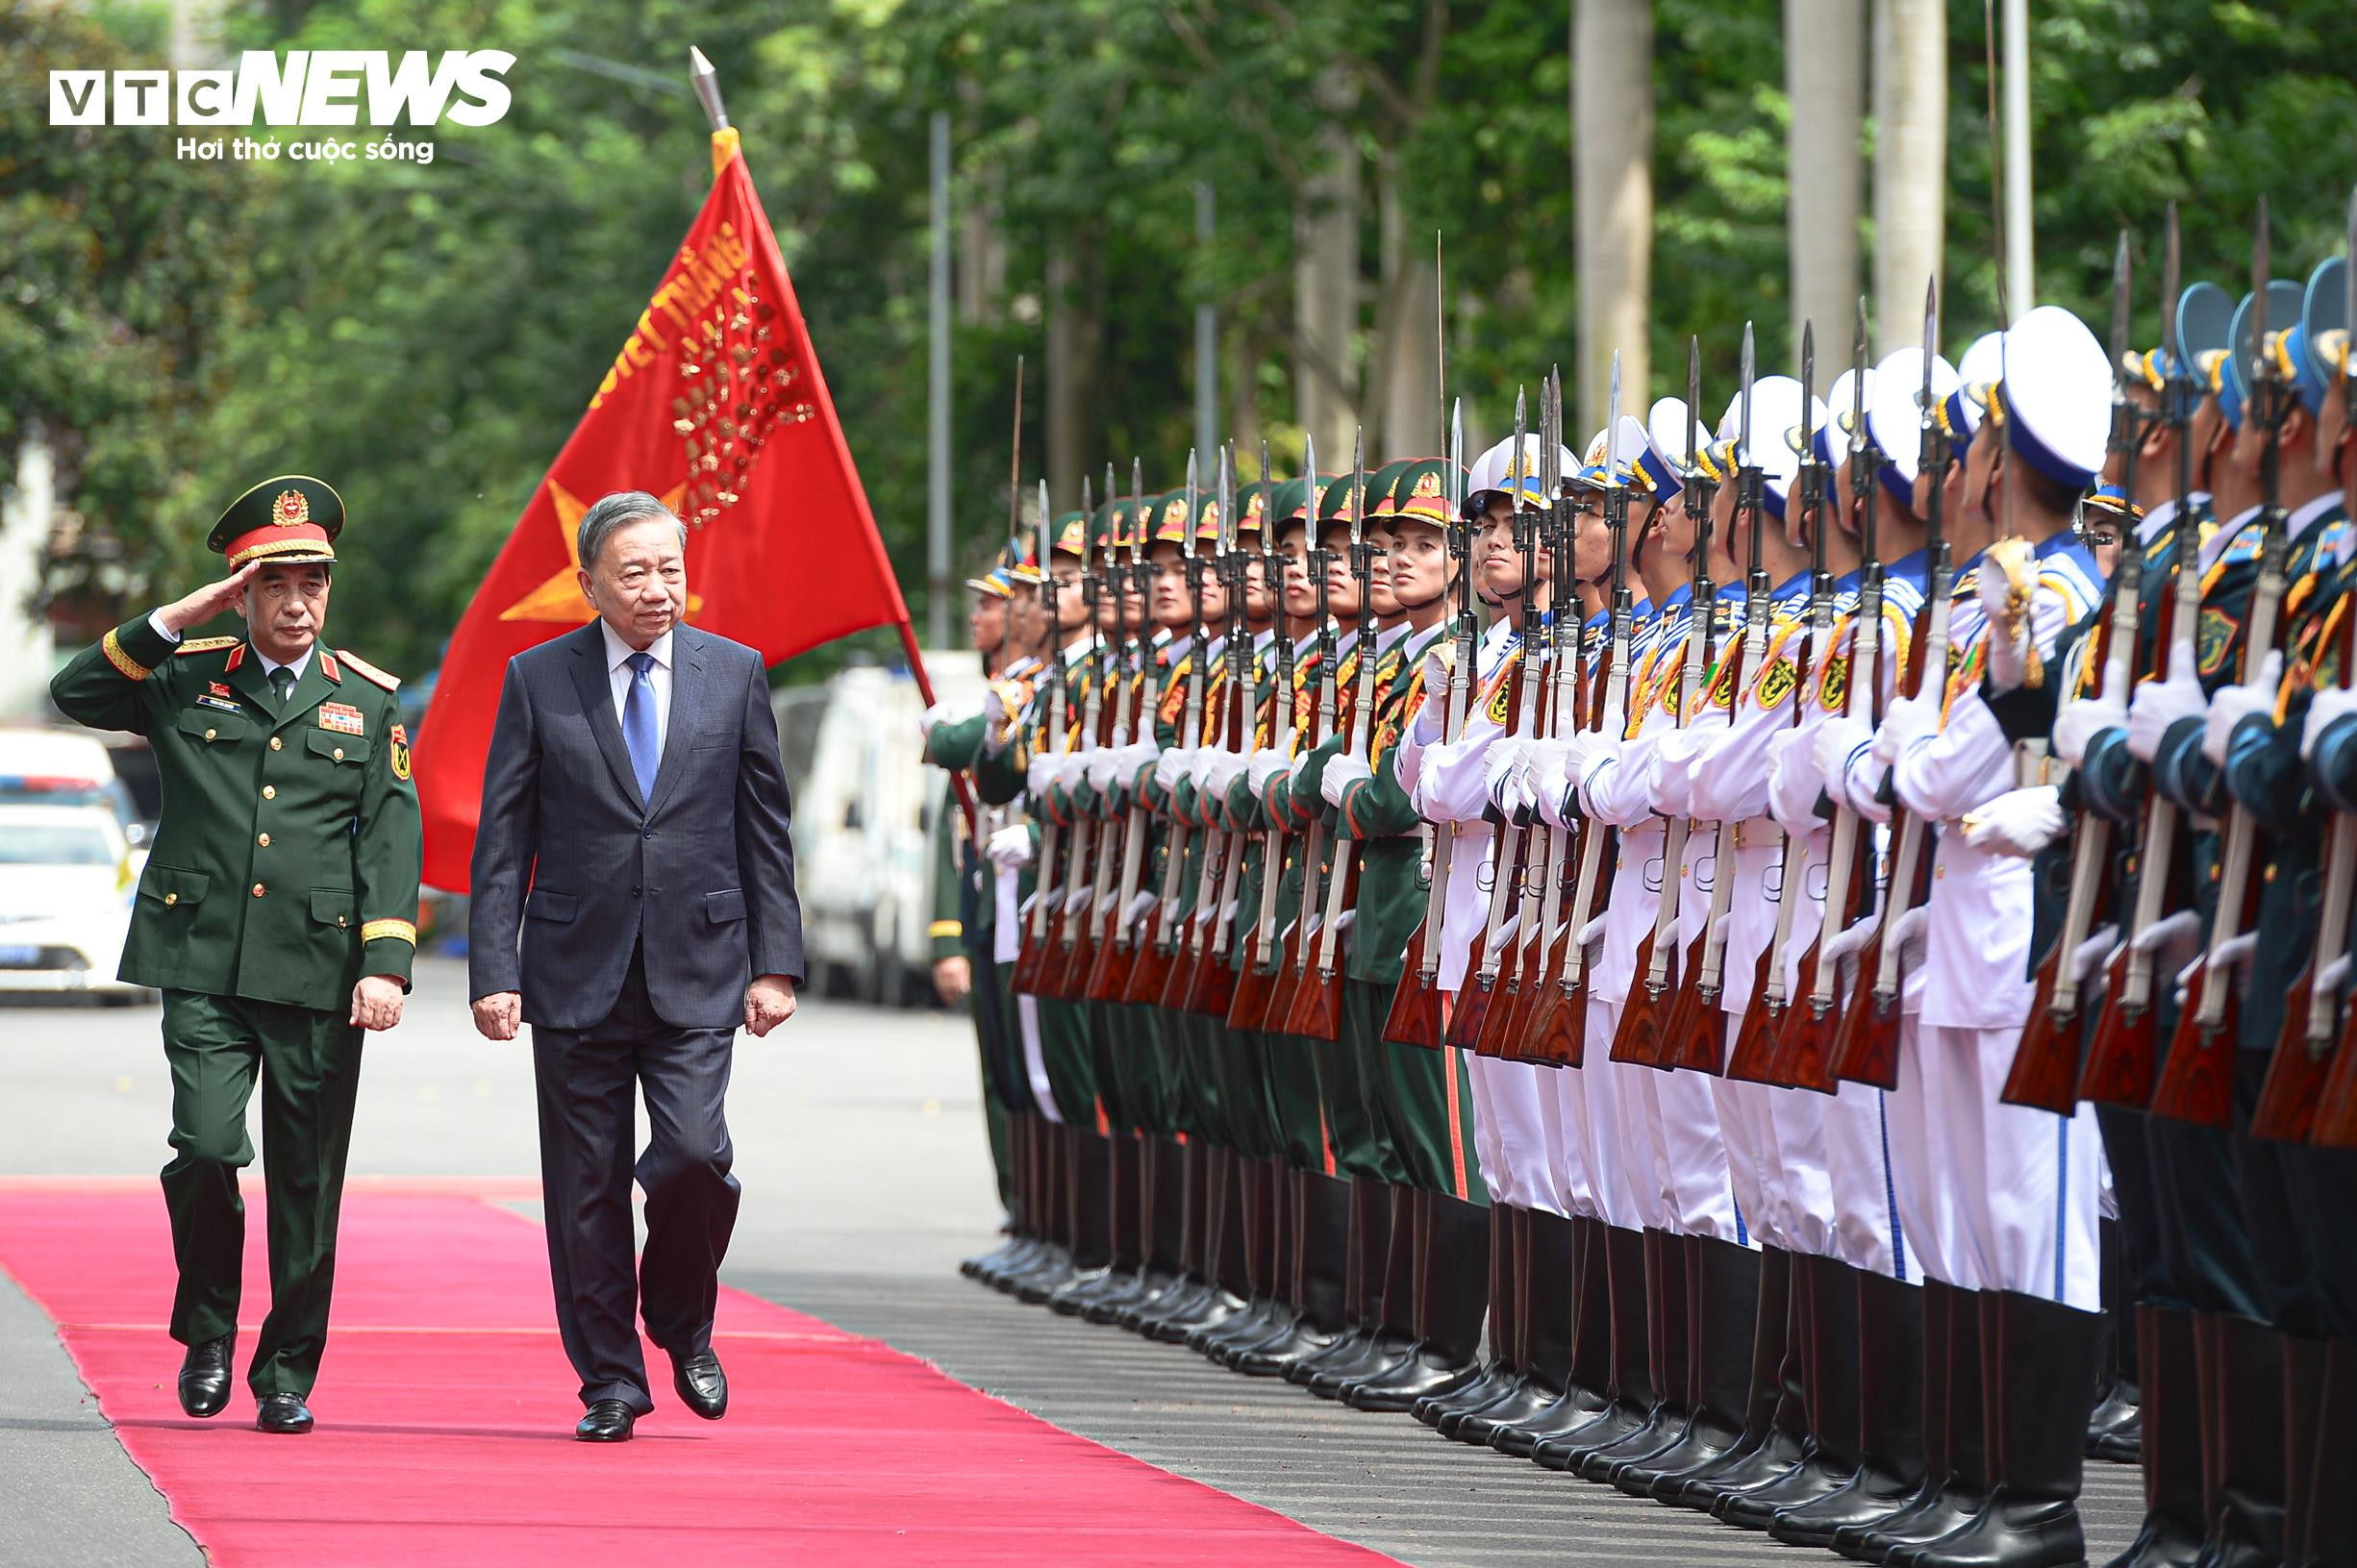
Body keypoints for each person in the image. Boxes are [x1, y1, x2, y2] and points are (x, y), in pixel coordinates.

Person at [49, 475, 421, 1436]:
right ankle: (208, 1328)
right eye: (274, 586)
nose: (297, 605)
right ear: (242, 593)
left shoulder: (366, 703)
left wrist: (385, 962)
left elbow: (389, 834)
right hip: (202, 957)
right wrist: (180, 615)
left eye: (313, 586)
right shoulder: (185, 675)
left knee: (307, 1177)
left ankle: (287, 1370)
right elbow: (76, 689)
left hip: (319, 970)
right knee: (208, 1146)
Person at [466, 488, 804, 1443]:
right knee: (585, 1189)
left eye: (671, 569)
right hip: (574, 971)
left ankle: (683, 1315)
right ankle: (610, 1378)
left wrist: (776, 962)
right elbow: (504, 839)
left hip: (700, 965)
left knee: (696, 1155)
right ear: (590, 584)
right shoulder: (539, 678)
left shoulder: (733, 672)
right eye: (636, 572)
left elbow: (763, 829)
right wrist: (497, 967)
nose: (658, 589)